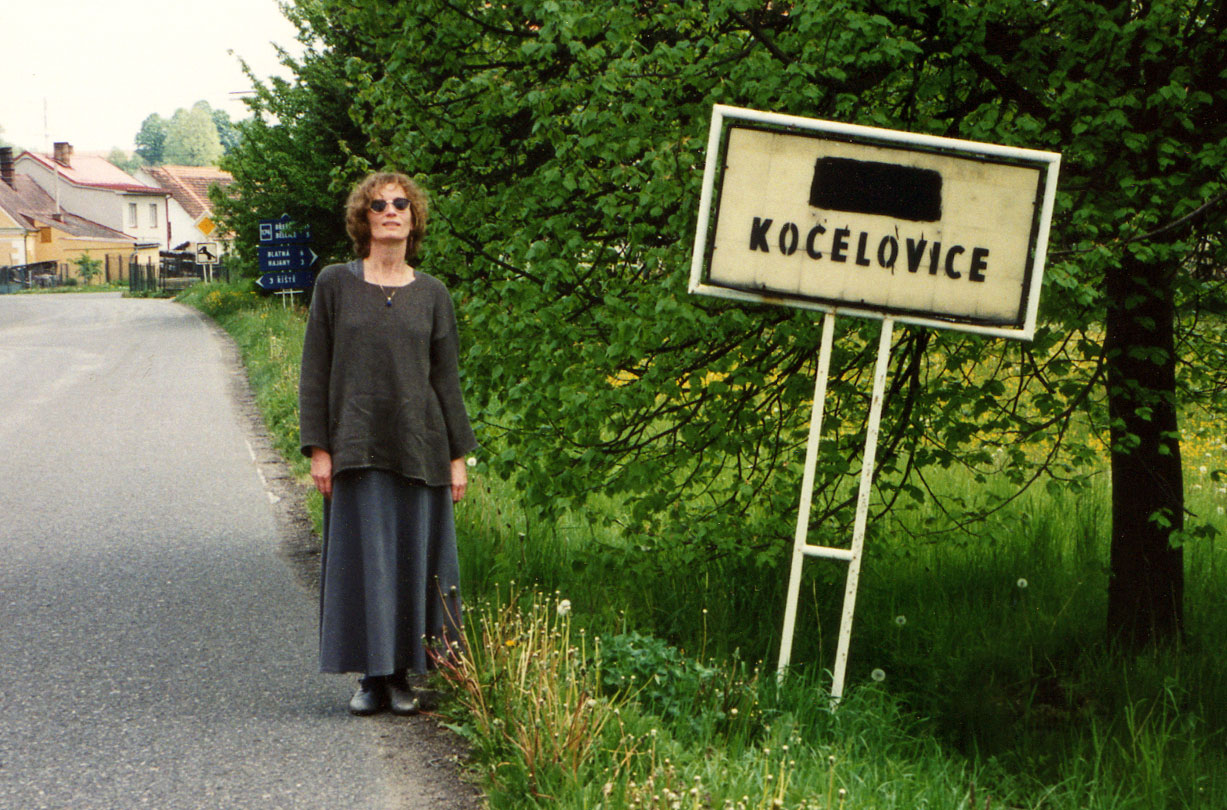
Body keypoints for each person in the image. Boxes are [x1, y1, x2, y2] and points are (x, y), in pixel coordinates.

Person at [298, 171, 477, 716]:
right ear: (365, 218)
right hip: (356, 447)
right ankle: (370, 678)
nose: (392, 211)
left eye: (402, 204)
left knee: (412, 564)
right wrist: (319, 449)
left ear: (414, 217)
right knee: (366, 564)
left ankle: (402, 678)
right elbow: (314, 372)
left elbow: (446, 380)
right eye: (380, 204)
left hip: (419, 448)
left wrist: (458, 457)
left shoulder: (432, 294)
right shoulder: (334, 283)